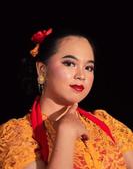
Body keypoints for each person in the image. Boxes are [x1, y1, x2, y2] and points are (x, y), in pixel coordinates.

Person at [0, 26, 133, 169]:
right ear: (42, 70)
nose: (81, 75)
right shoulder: (18, 134)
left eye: (89, 67)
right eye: (70, 63)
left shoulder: (106, 123)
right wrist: (66, 134)